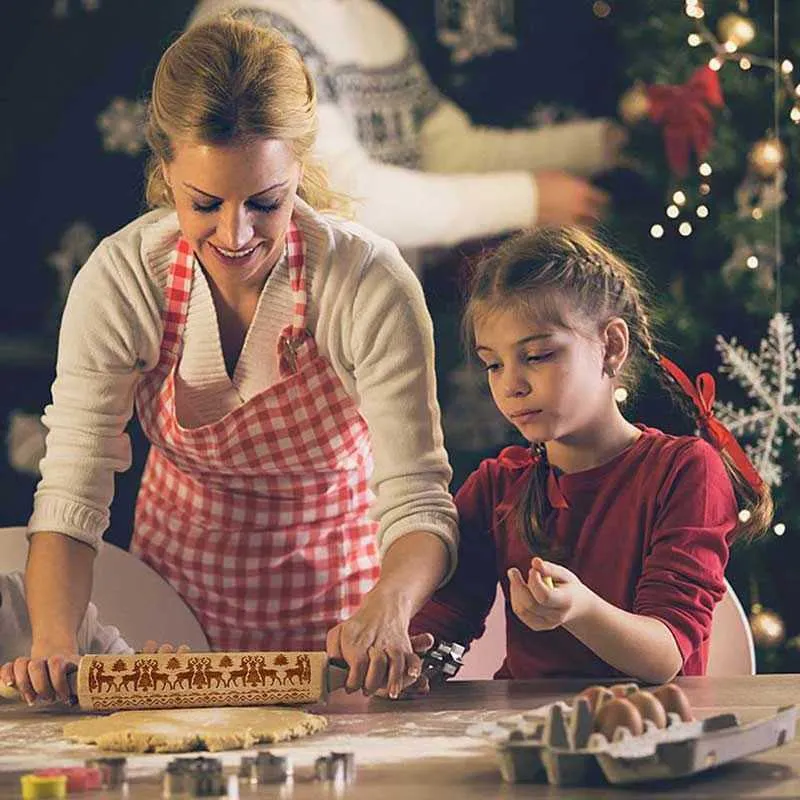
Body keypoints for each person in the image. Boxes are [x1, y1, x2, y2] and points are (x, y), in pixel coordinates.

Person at [0, 15, 457, 705]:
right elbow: (71, 491)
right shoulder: (125, 278)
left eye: (266, 203)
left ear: (299, 169)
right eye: (205, 203)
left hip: (344, 624)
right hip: (166, 617)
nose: (236, 233)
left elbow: (417, 496)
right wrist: (56, 640)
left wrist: (390, 607)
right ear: (166, 171)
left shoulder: (366, 281)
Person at [410, 226, 772, 683]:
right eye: (494, 363)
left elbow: (665, 656)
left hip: (652, 736)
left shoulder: (685, 471)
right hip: (524, 740)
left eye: (537, 355)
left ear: (612, 346)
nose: (511, 384)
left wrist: (579, 610)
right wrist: (410, 655)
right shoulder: (495, 485)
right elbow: (444, 621)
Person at [189, 0, 624, 257]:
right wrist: (527, 199)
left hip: (376, 335)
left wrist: (605, 145)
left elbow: (446, 151)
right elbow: (336, 200)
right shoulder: (248, 28)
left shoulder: (375, 24)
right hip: (290, 348)